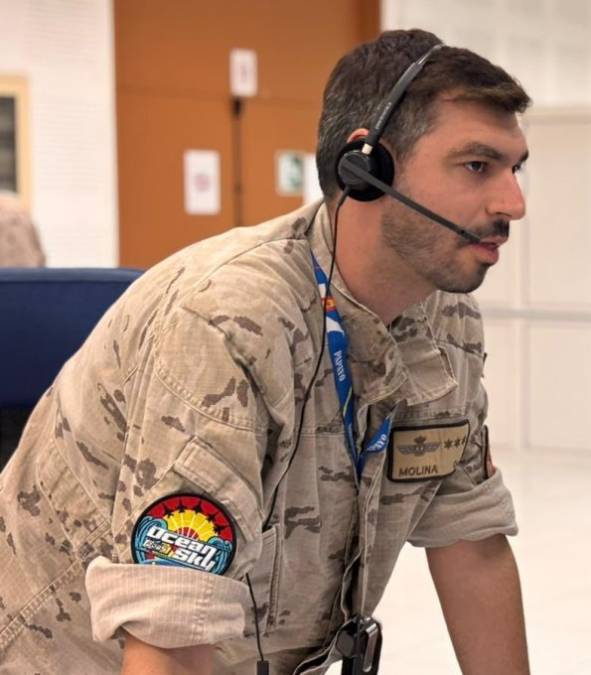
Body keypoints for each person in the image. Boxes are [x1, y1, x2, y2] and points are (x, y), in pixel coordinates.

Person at [0, 29, 531, 674]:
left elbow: (469, 541)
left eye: (514, 168)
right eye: (477, 166)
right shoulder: (228, 323)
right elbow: (170, 640)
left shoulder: (446, 319)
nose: (513, 204)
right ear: (367, 170)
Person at [0, 191, 45, 266]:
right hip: (28, 270)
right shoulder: (26, 221)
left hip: (6, 272)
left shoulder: (24, 221)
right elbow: (39, 253)